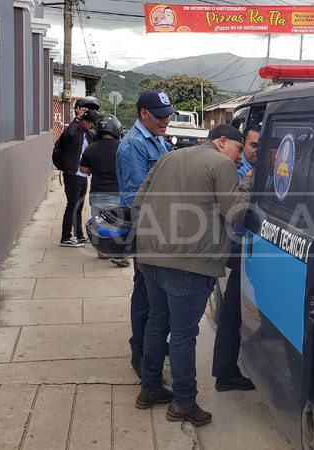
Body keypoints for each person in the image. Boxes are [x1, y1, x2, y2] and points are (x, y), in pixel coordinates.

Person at [134, 124, 252, 426]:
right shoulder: (222, 164)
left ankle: (149, 390)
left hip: (153, 258)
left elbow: (139, 202)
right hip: (191, 265)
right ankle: (184, 402)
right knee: (184, 335)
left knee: (157, 323)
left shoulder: (169, 157)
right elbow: (235, 213)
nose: (240, 157)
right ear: (222, 141)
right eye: (239, 149)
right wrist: (249, 183)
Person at [117, 88, 175, 379]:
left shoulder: (159, 140)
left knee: (158, 295)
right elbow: (134, 198)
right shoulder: (134, 146)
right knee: (144, 294)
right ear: (144, 114)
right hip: (148, 231)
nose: (166, 121)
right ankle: (138, 352)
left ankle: (152, 345)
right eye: (161, 117)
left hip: (162, 228)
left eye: (168, 116)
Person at [212, 124, 260, 392]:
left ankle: (231, 367)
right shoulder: (236, 171)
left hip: (257, 247)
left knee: (242, 309)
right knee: (232, 309)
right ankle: (225, 371)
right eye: (251, 146)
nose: (255, 151)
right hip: (238, 245)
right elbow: (234, 212)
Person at [79, 114, 130, 267]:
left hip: (97, 193)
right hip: (117, 192)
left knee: (100, 223)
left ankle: (102, 251)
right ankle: (121, 254)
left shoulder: (91, 148)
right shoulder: (122, 146)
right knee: (119, 225)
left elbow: (83, 169)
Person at [54, 97, 100, 248]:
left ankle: (79, 235)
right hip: (71, 173)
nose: (89, 124)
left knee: (79, 206)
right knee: (72, 204)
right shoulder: (73, 130)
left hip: (82, 175)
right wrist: (77, 117)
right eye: (87, 121)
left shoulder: (89, 134)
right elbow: (68, 135)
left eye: (91, 122)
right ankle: (66, 237)